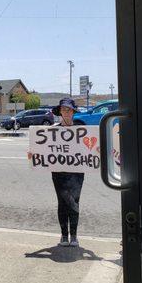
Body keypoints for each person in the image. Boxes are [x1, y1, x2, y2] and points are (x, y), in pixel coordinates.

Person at [50, 98, 84, 247]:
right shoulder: (53, 130)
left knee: (74, 201)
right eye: (64, 109)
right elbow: (44, 150)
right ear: (60, 112)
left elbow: (90, 148)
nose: (66, 112)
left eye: (69, 109)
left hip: (77, 171)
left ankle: (74, 235)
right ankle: (64, 235)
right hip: (58, 172)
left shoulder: (82, 128)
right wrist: (34, 155)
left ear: (73, 112)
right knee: (62, 202)